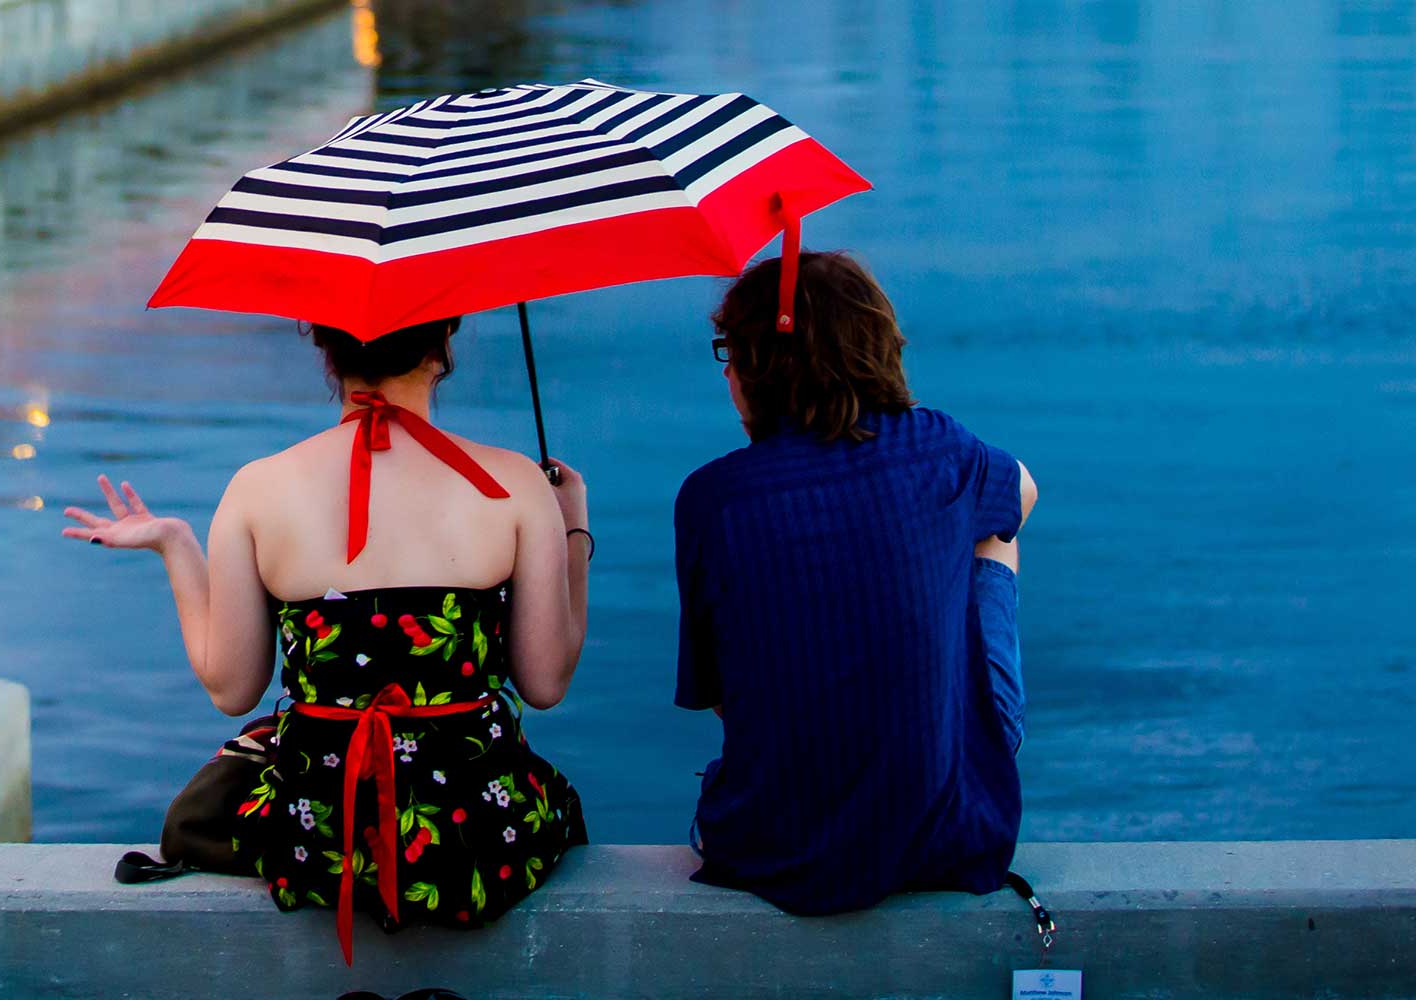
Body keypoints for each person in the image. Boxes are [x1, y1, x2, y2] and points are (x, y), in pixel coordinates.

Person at [61, 316, 590, 960]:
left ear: (326, 353)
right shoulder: (514, 483)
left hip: (318, 835)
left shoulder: (257, 489)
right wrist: (572, 533)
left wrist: (175, 543)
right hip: (476, 835)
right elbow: (546, 682)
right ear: (442, 347)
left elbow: (232, 688)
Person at [674, 251, 1038, 915]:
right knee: (993, 529)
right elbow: (1025, 492)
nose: (725, 369)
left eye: (732, 350)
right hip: (949, 836)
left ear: (761, 367)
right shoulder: (942, 448)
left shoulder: (711, 499)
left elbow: (723, 699)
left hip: (774, 850)